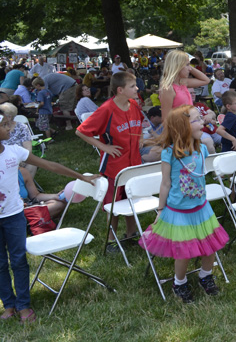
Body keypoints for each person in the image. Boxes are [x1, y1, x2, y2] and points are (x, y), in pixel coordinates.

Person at [0, 106, 99, 323]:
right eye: (4, 125)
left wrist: (80, 177)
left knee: (18, 260)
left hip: (14, 215)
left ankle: (24, 305)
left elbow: (50, 165)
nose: (9, 128)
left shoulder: (14, 152)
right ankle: (9, 305)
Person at [139, 105, 229, 303]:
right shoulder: (169, 153)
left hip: (201, 208)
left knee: (210, 245)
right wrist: (160, 209)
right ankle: (179, 282)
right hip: (179, 211)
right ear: (183, 127)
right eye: (197, 119)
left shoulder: (202, 149)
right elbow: (165, 183)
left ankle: (206, 275)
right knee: (184, 251)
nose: (202, 122)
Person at [76, 72, 143, 250]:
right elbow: (81, 131)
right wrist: (104, 147)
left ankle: (131, 233)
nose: (137, 88)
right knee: (112, 204)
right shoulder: (106, 109)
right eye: (132, 86)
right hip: (114, 166)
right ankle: (111, 240)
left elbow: (140, 124)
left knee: (131, 198)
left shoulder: (134, 105)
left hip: (134, 163)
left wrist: (140, 138)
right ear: (120, 90)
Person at [159, 49, 210, 121]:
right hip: (179, 129)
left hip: (189, 127)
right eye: (187, 65)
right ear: (177, 66)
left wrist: (187, 65)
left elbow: (206, 80)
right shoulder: (168, 88)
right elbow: (166, 118)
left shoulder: (182, 82)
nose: (190, 69)